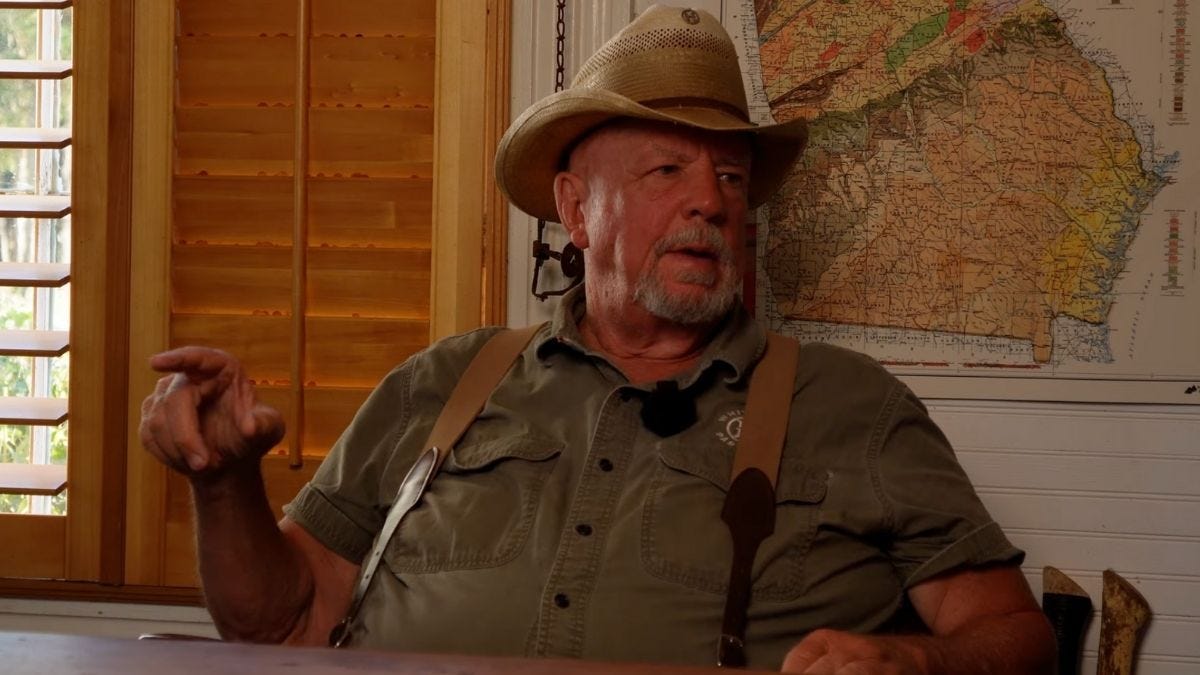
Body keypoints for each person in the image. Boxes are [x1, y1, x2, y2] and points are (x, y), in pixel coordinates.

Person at [139, 6, 1054, 673]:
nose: (710, 200)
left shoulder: (855, 406)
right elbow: (282, 626)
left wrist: (917, 662)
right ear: (576, 209)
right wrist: (223, 487)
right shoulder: (443, 385)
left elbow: (1020, 638)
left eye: (731, 178)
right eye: (668, 169)